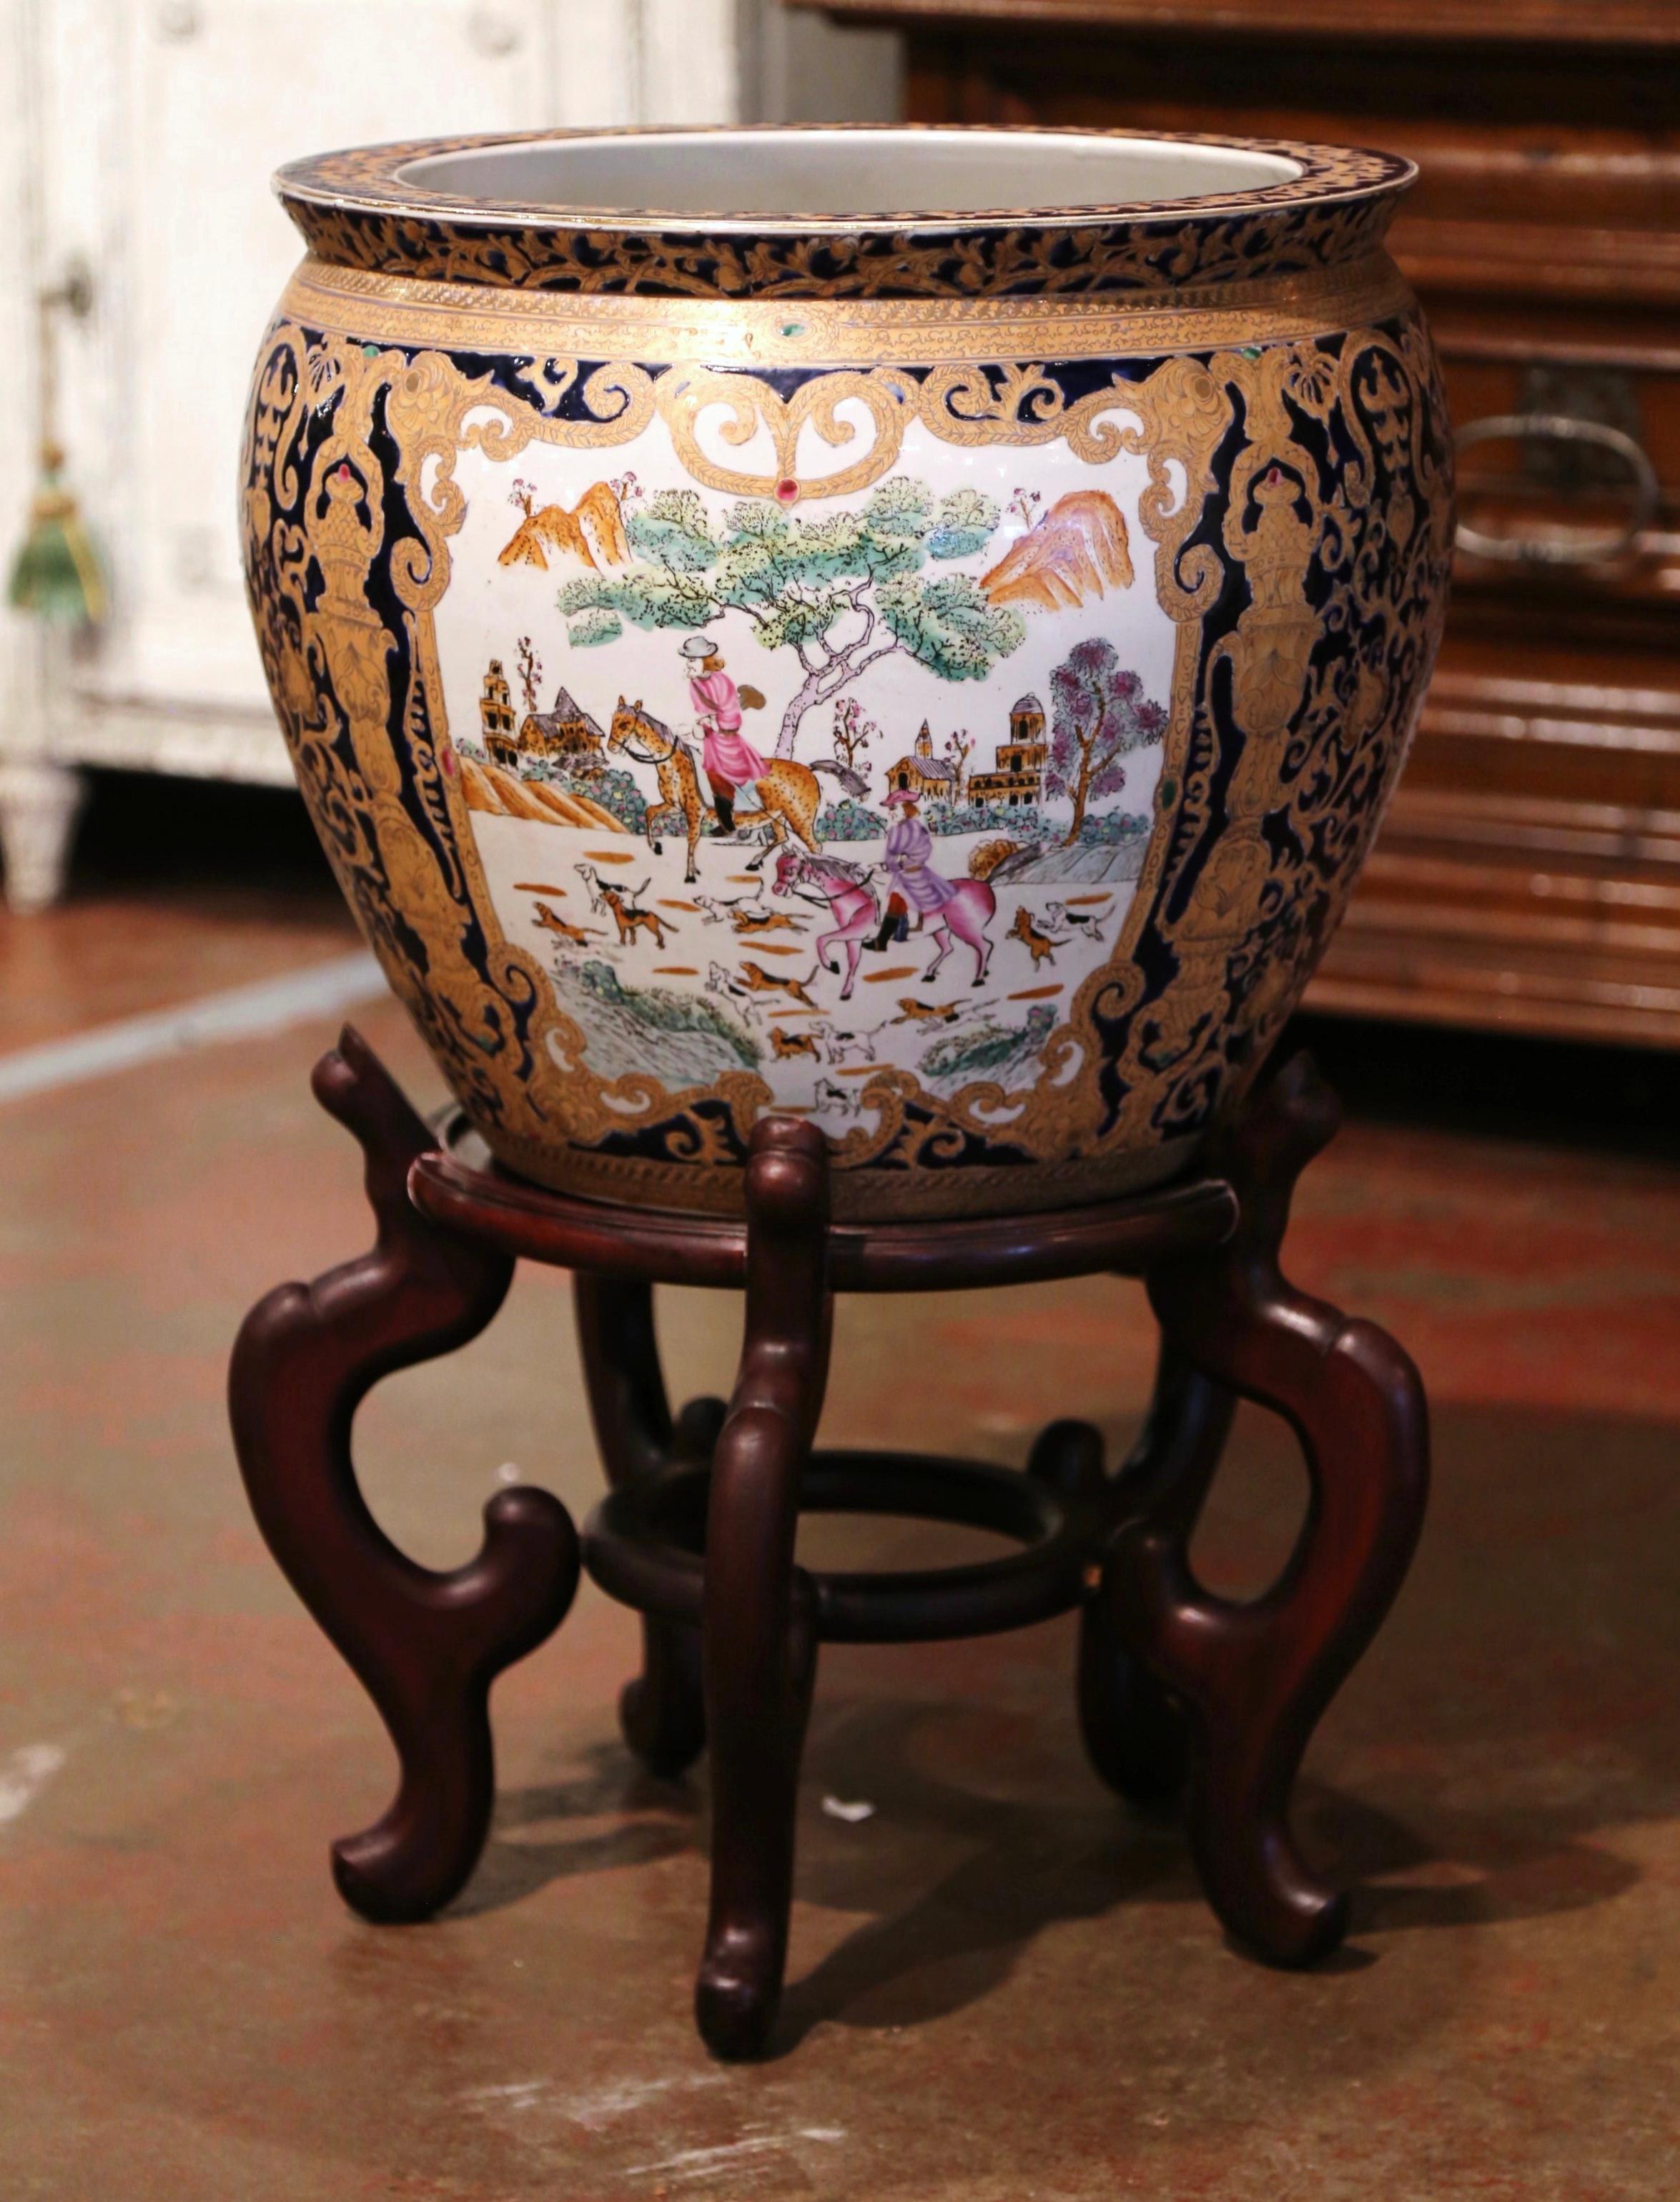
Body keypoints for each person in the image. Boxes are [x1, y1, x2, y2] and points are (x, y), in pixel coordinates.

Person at [681, 633, 766, 833]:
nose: (690, 664)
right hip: (712, 740)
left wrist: (715, 723)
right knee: (712, 776)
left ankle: (738, 818)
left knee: (733, 774)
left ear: (706, 661)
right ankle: (725, 820)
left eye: (693, 660)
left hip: (727, 739)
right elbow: (702, 711)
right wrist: (700, 726)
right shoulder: (694, 684)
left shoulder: (722, 681)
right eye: (689, 660)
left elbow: (731, 712)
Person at [869, 786, 960, 951]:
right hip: (899, 875)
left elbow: (922, 852)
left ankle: (885, 940)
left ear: (906, 809)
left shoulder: (915, 829)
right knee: (889, 900)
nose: (890, 813)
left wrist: (898, 862)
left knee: (899, 901)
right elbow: (891, 856)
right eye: (890, 810)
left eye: (893, 808)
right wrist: (885, 865)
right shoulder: (895, 830)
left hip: (915, 876)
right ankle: (889, 938)